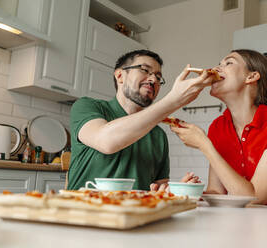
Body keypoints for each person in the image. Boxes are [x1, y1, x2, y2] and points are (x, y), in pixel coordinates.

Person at [171, 49, 267, 207]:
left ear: (251, 76)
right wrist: (187, 193)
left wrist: (204, 145)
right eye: (219, 64)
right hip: (244, 221)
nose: (216, 68)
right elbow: (217, 192)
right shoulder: (218, 126)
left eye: (228, 63)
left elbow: (255, 199)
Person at [67, 49, 212, 190]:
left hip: (136, 212)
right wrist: (173, 100)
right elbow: (106, 141)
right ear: (120, 76)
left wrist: (175, 190)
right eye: (144, 70)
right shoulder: (87, 106)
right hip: (83, 211)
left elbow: (159, 187)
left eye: (158, 76)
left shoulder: (158, 135)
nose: (153, 79)